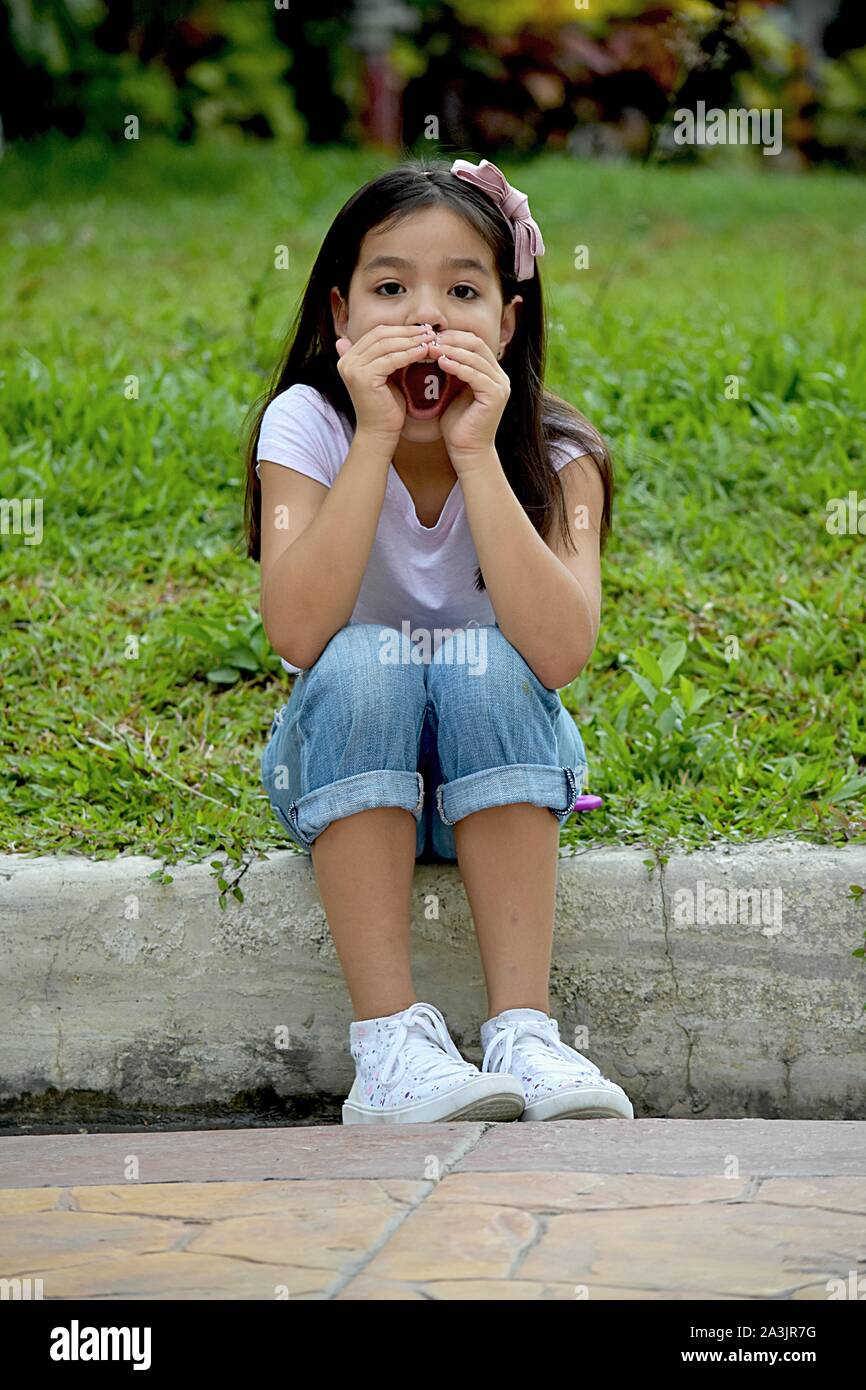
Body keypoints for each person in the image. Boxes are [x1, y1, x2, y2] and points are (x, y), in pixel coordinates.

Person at [243, 156, 634, 1126]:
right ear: (340, 317)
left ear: (504, 322)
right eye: (389, 287)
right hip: (344, 772)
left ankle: (523, 1035)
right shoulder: (308, 426)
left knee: (486, 657)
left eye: (461, 289)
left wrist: (474, 453)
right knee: (372, 653)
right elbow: (296, 630)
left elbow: (555, 655)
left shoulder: (559, 453)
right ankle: (388, 1054)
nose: (427, 317)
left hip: (493, 773)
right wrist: (373, 440)